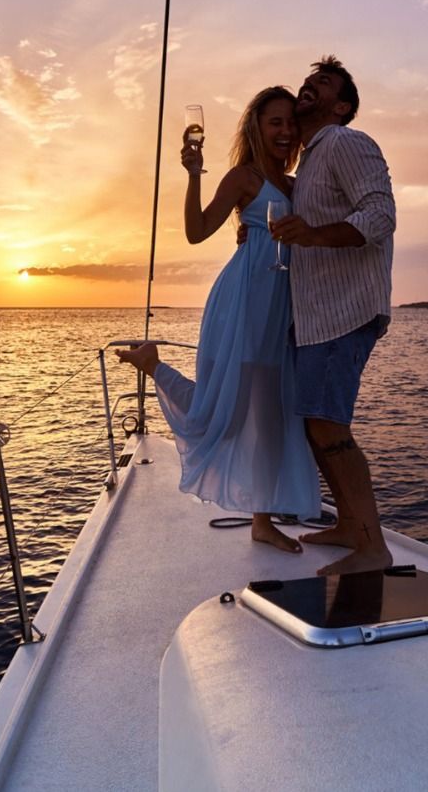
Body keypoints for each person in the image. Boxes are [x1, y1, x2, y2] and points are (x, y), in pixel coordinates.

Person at [117, 87, 319, 553]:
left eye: (291, 122)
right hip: (244, 301)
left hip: (281, 309)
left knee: (271, 419)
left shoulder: (295, 186)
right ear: (256, 128)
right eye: (275, 122)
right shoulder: (243, 178)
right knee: (222, 414)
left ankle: (262, 522)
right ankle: (153, 366)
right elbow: (195, 232)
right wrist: (193, 175)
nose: (286, 131)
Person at [269, 55, 397, 576]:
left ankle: (372, 547)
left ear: (342, 107)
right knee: (315, 426)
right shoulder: (308, 165)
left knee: (329, 425)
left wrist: (314, 235)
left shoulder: (346, 142)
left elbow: (381, 216)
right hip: (317, 313)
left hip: (345, 310)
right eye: (309, 79)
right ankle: (349, 525)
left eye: (323, 83)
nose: (309, 85)